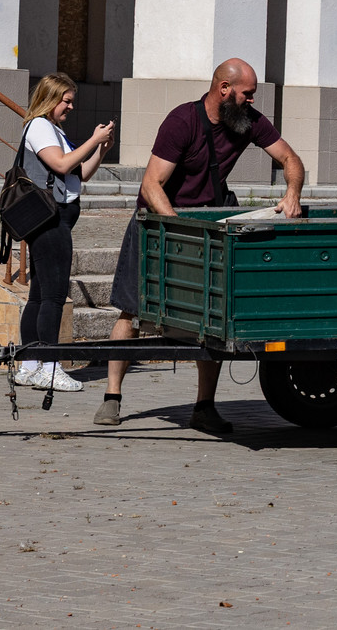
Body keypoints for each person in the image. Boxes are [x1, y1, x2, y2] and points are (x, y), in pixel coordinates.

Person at [94, 59, 305, 432]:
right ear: (224, 89)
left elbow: (290, 158)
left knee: (212, 319)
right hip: (159, 223)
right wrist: (177, 229)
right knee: (131, 312)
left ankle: (204, 407)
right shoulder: (182, 122)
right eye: (247, 93)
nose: (252, 101)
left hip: (209, 225)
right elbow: (151, 185)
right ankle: (112, 396)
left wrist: (292, 192)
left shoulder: (249, 122)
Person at [13, 73, 114, 393]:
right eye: (66, 101)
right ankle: (50, 366)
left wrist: (101, 150)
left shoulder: (53, 129)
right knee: (54, 295)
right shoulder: (40, 126)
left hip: (56, 218)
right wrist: (92, 141)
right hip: (49, 220)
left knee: (40, 294)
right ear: (50, 99)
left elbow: (78, 173)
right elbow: (59, 164)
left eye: (72, 101)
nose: (70, 107)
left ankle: (30, 365)